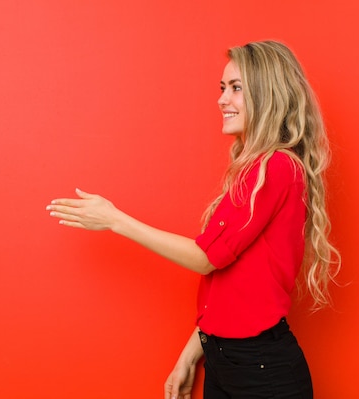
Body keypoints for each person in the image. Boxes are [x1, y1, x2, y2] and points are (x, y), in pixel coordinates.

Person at [46, 40, 340, 399]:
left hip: (261, 371)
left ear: (268, 95)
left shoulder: (274, 168)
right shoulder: (255, 170)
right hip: (227, 361)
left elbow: (206, 258)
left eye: (236, 88)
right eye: (222, 88)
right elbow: (230, 284)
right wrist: (192, 353)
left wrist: (114, 219)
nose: (221, 99)